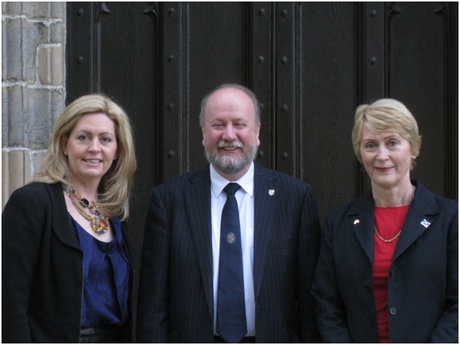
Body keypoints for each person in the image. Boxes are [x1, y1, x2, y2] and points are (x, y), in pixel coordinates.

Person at [136, 83, 321, 342]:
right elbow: (151, 307)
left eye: (239, 124)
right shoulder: (169, 200)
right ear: (203, 132)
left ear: (257, 132)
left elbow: (311, 303)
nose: (229, 135)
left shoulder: (295, 198)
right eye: (218, 124)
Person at [311, 98, 458, 343]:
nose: (382, 155)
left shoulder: (450, 218)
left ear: (414, 147)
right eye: (370, 145)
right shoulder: (339, 222)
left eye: (392, 143)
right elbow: (327, 304)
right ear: (360, 153)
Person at [2, 94, 137, 342]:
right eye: (83, 137)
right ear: (65, 143)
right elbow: (9, 303)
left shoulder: (115, 214)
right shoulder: (32, 203)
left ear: (117, 150)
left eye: (105, 139)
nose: (94, 148)